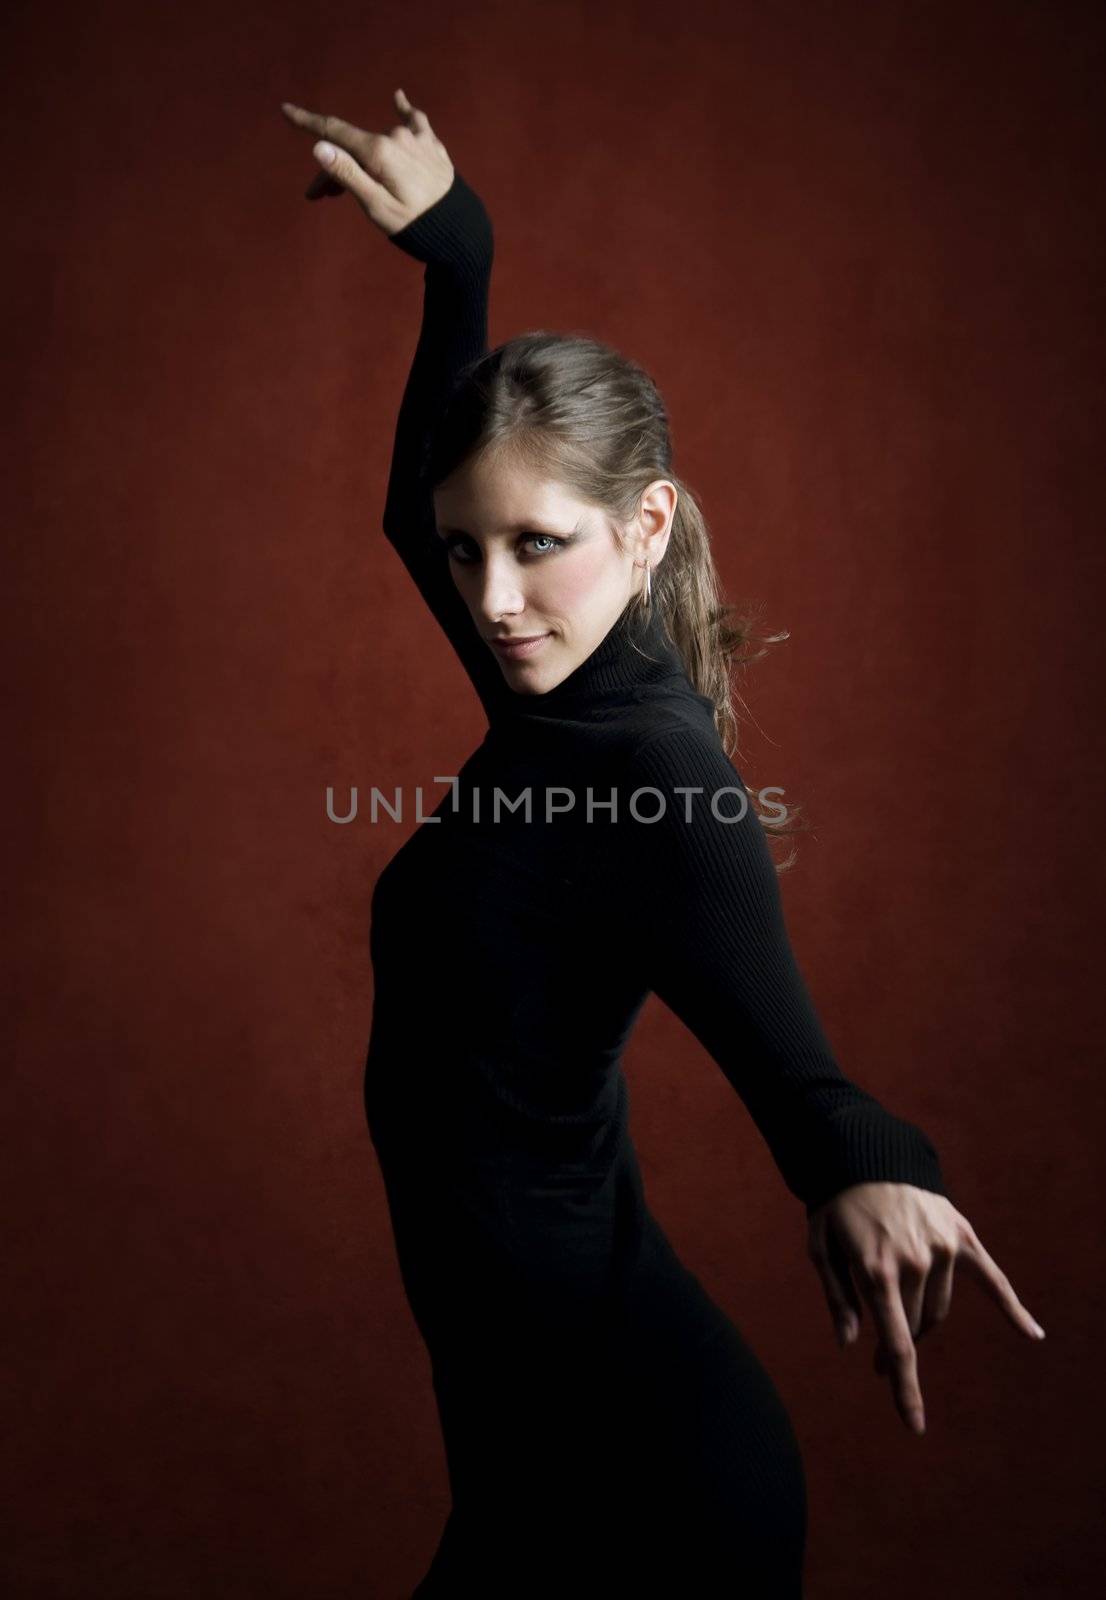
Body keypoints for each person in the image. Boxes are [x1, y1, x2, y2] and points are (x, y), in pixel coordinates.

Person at [281, 90, 1046, 1597]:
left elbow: (796, 1077)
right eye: (468, 549)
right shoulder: (556, 696)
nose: (492, 599)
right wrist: (457, 257)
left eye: (536, 545)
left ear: (643, 527)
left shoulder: (648, 769)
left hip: (637, 1483)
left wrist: (867, 1169)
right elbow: (403, 511)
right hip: (531, 1458)